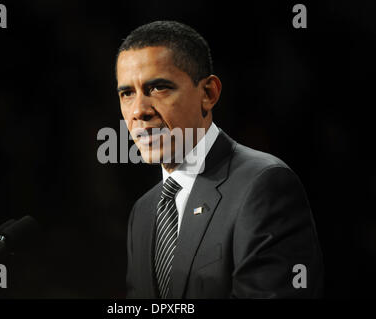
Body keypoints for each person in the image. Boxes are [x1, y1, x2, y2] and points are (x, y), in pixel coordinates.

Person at [116, 20, 323, 298]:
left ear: (208, 94)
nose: (138, 110)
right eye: (127, 93)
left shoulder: (262, 186)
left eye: (159, 88)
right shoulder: (143, 212)